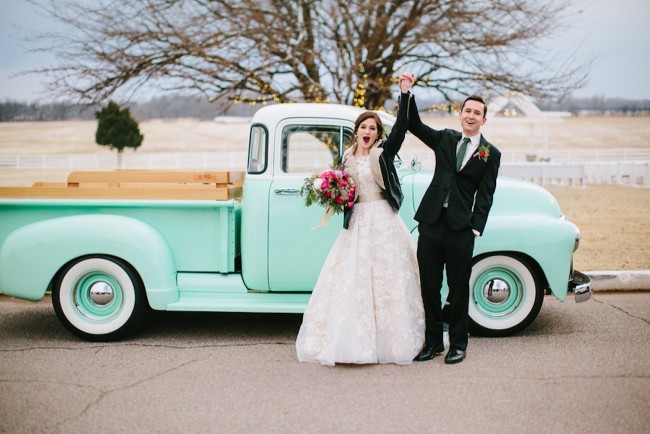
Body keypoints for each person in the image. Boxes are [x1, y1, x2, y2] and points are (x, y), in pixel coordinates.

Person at [295, 80, 425, 366]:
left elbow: (401, 127)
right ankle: (350, 339)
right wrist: (330, 190)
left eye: (373, 129)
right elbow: (344, 188)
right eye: (364, 127)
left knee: (387, 275)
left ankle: (391, 341)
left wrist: (405, 94)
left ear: (378, 134)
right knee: (353, 276)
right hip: (357, 222)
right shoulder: (345, 156)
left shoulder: (383, 152)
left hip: (383, 218)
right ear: (356, 131)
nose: (368, 132)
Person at [399, 73, 501, 364]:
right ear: (460, 114)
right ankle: (433, 343)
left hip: (461, 228)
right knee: (429, 286)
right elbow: (413, 125)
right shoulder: (444, 138)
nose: (470, 115)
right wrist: (407, 94)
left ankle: (458, 343)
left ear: (484, 120)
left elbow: (486, 194)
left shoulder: (490, 154)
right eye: (467, 110)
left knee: (457, 288)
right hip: (431, 223)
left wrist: (476, 229)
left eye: (476, 113)